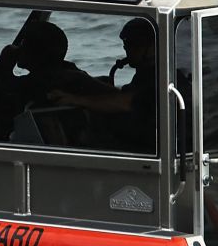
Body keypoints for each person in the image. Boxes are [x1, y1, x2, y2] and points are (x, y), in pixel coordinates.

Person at [48, 17, 156, 152]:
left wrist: (75, 99)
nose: (127, 50)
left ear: (152, 47)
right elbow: (126, 96)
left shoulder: (157, 75)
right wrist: (86, 80)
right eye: (126, 45)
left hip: (146, 147)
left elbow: (127, 102)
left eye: (133, 44)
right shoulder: (146, 74)